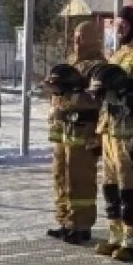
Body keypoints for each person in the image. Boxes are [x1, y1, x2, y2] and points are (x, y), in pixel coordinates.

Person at [94, 6, 133, 261]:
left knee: (127, 188)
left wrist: (124, 91)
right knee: (109, 186)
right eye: (116, 26)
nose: (118, 30)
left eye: (123, 26)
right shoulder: (119, 52)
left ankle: (132, 239)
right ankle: (115, 234)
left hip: (127, 130)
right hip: (109, 128)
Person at [46, 20, 107, 244]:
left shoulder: (97, 66)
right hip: (64, 131)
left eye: (81, 37)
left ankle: (81, 225)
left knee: (80, 179)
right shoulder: (72, 62)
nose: (76, 41)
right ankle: (65, 221)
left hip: (83, 132)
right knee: (60, 176)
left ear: (91, 38)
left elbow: (95, 99)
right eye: (75, 36)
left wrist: (70, 94)